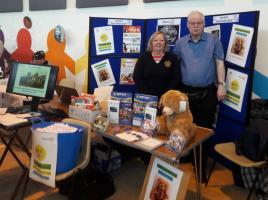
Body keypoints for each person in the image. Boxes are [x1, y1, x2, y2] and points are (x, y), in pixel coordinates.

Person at [173, 10, 226, 182]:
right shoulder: (180, 43)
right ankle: (183, 157)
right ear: (187, 25)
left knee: (203, 131)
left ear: (204, 24)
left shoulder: (214, 41)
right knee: (182, 128)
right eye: (192, 23)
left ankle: (200, 167)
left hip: (207, 94)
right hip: (185, 95)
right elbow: (175, 66)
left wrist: (222, 85)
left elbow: (219, 63)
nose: (195, 26)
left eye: (199, 23)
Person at [133, 31, 181, 101]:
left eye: (162, 40)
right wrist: (148, 96)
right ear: (151, 43)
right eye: (155, 40)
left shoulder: (172, 57)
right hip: (146, 97)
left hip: (166, 98)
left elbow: (176, 78)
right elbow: (137, 77)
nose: (159, 42)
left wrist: (166, 95)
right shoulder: (144, 57)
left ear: (165, 43)